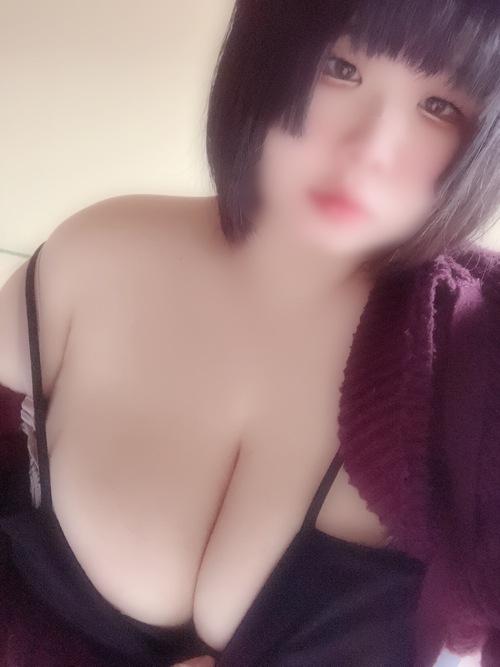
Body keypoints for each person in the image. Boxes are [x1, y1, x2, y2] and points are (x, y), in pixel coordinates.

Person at [0, 0, 499, 665]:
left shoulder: (474, 352)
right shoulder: (95, 258)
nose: (370, 152)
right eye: (340, 67)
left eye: (440, 106)